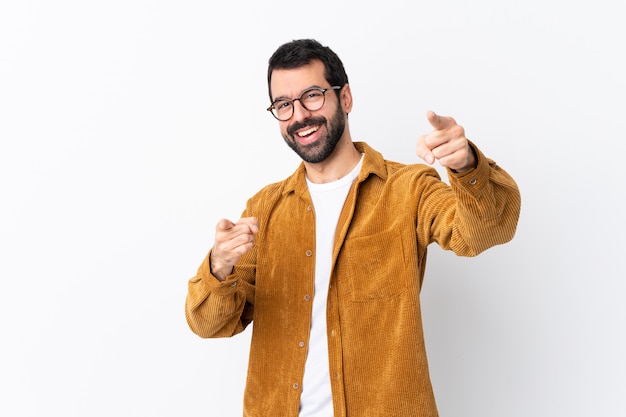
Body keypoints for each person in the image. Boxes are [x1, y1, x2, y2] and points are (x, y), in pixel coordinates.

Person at [185, 39, 521, 417]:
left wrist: (466, 167)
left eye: (312, 95)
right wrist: (219, 267)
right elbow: (208, 323)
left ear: (345, 97)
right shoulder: (265, 209)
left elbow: (484, 232)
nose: (298, 116)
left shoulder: (406, 189)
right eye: (284, 105)